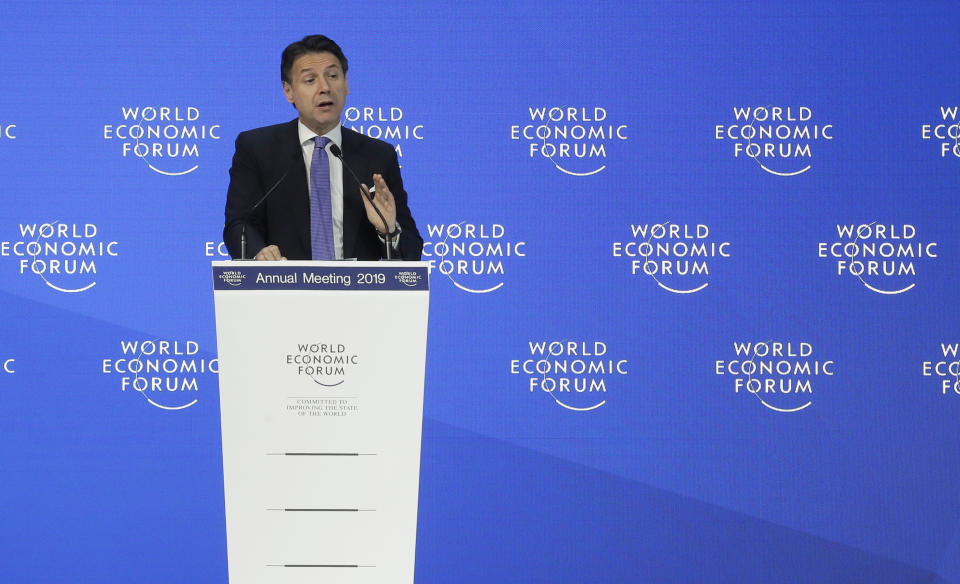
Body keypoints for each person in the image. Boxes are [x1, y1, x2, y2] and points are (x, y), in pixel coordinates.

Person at [223, 35, 422, 261]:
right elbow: (239, 224)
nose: (325, 87)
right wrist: (258, 253)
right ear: (288, 91)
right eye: (310, 80)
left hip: (358, 294)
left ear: (346, 83)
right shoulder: (257, 148)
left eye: (333, 76)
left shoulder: (377, 155)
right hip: (284, 291)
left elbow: (412, 249)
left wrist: (389, 232)